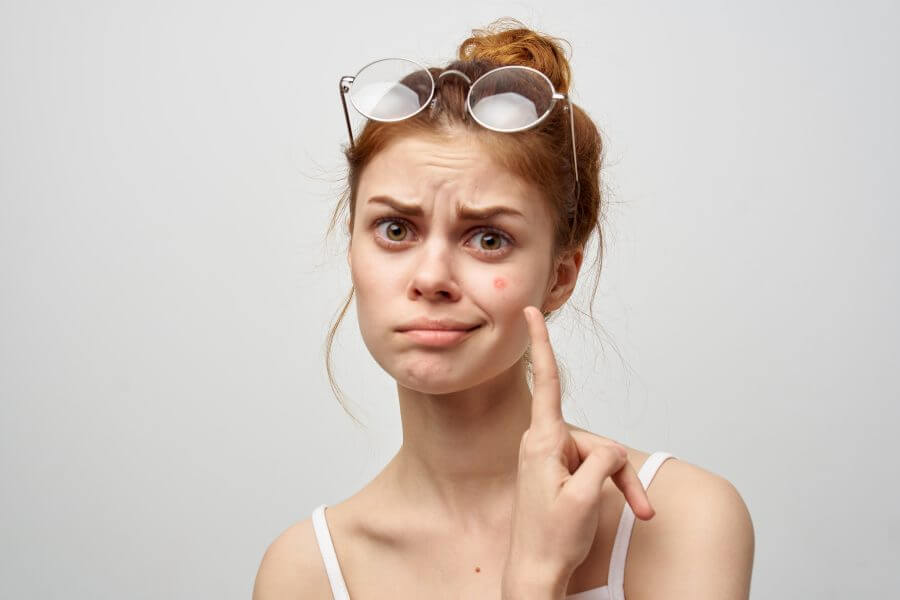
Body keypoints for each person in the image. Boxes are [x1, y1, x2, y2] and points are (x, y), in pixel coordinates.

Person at [253, 18, 754, 600]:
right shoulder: (306, 572)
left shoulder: (680, 518)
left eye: (488, 239)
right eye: (395, 229)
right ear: (352, 250)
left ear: (560, 277)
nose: (432, 277)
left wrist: (539, 572)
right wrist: (534, 578)